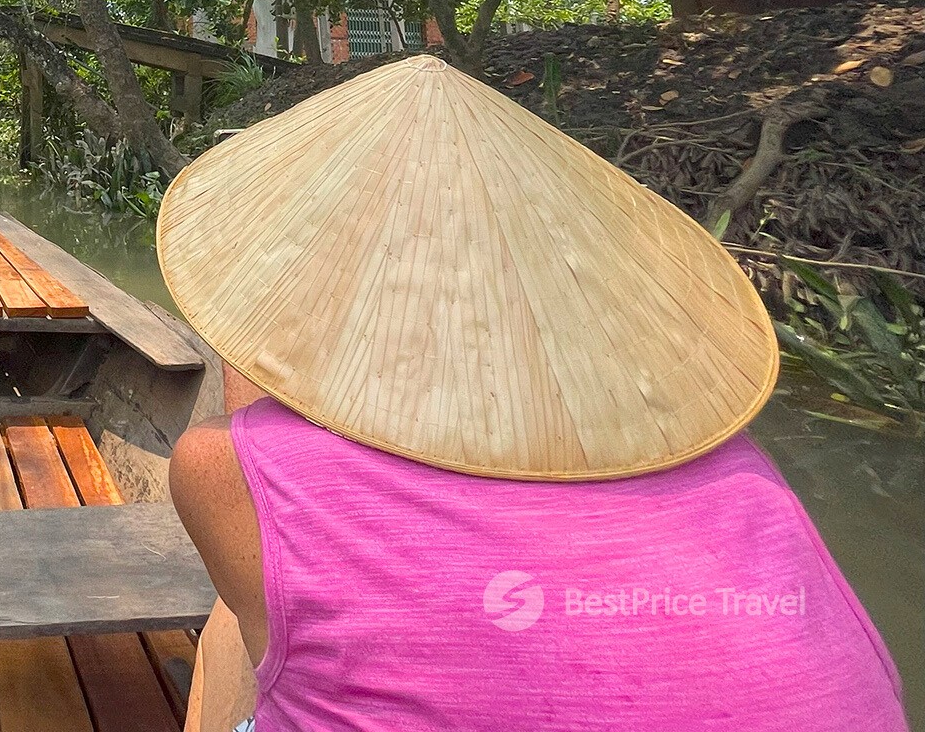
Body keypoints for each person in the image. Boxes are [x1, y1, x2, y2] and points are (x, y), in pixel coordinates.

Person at [157, 55, 907, 732]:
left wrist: (260, 335)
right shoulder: (737, 469)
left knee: (237, 617)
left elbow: (258, 423)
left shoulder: (228, 469)